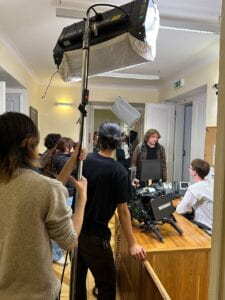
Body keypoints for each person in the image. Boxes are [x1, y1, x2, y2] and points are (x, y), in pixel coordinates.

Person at [0, 112, 87, 300]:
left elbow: (52, 188)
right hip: (34, 292)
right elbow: (69, 241)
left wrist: (73, 160)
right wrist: (82, 200)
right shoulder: (44, 188)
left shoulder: (43, 187)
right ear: (29, 144)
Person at [61, 122, 146, 300]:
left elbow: (62, 180)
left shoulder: (85, 160)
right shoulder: (119, 171)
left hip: (75, 230)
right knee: (107, 285)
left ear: (98, 139)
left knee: (77, 280)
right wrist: (132, 244)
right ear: (119, 143)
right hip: (95, 236)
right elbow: (123, 211)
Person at [176, 158, 213, 230]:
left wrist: (181, 204)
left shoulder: (194, 188)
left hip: (204, 227)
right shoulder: (209, 184)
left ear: (195, 172)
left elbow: (179, 210)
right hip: (212, 225)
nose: (189, 169)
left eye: (190, 167)